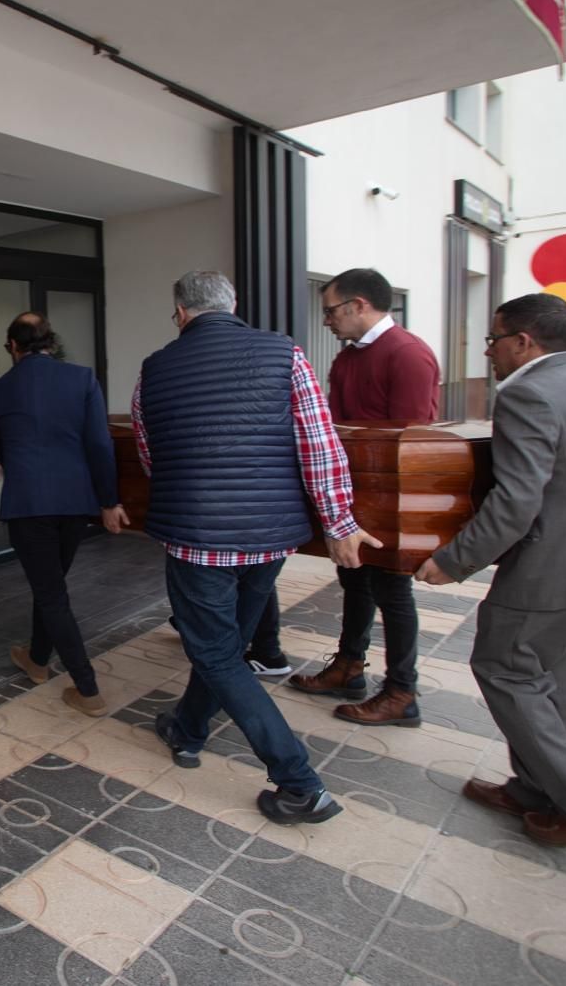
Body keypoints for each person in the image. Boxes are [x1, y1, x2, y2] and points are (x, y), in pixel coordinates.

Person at [131, 270, 380, 825]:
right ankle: (188, 729)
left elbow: (152, 457)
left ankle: (300, 783)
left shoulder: (154, 370)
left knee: (219, 654)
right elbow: (318, 444)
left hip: (196, 538)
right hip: (269, 537)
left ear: (180, 313)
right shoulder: (284, 353)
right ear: (234, 305)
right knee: (229, 647)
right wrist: (338, 522)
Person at [416, 293, 566, 848]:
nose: (489, 352)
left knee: (506, 671)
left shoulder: (528, 394)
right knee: (548, 687)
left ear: (523, 342)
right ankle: (536, 790)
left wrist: (454, 559)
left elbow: (518, 500)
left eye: (494, 340)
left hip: (553, 571)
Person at [266, 268, 441, 727]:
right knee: (353, 582)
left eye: (330, 310)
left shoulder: (408, 354)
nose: (326, 320)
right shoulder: (346, 360)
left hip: (391, 500)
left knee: (392, 592)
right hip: (351, 495)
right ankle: (349, 666)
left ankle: (403, 690)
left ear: (359, 304)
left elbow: (414, 441)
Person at [0, 312, 129, 716]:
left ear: (13, 347)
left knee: (52, 593)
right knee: (50, 585)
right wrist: (109, 501)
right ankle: (36, 659)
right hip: (74, 503)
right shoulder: (82, 379)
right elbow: (100, 445)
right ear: (50, 343)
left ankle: (87, 689)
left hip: (28, 503)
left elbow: (2, 449)